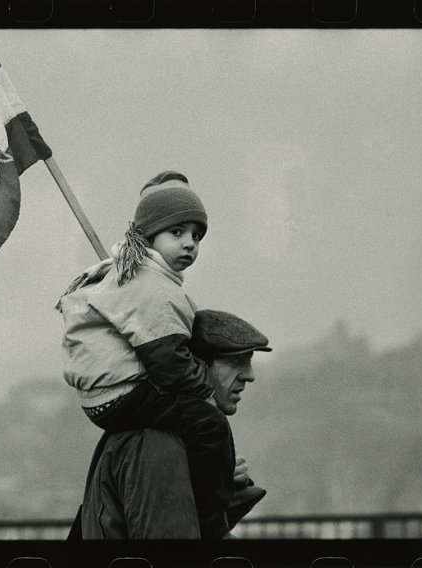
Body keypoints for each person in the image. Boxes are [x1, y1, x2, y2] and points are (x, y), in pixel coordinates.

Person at [57, 170, 240, 538]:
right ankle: (212, 519)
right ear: (148, 237)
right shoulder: (151, 287)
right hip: (126, 394)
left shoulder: (128, 276)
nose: (190, 244)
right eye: (177, 232)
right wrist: (205, 382)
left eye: (196, 235)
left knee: (193, 423)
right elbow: (170, 364)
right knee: (210, 425)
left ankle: (213, 491)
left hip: (104, 398)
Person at [72, 309, 272, 539]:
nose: (250, 375)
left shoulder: (163, 431)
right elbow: (174, 554)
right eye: (236, 362)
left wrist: (221, 480)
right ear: (195, 366)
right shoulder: (157, 442)